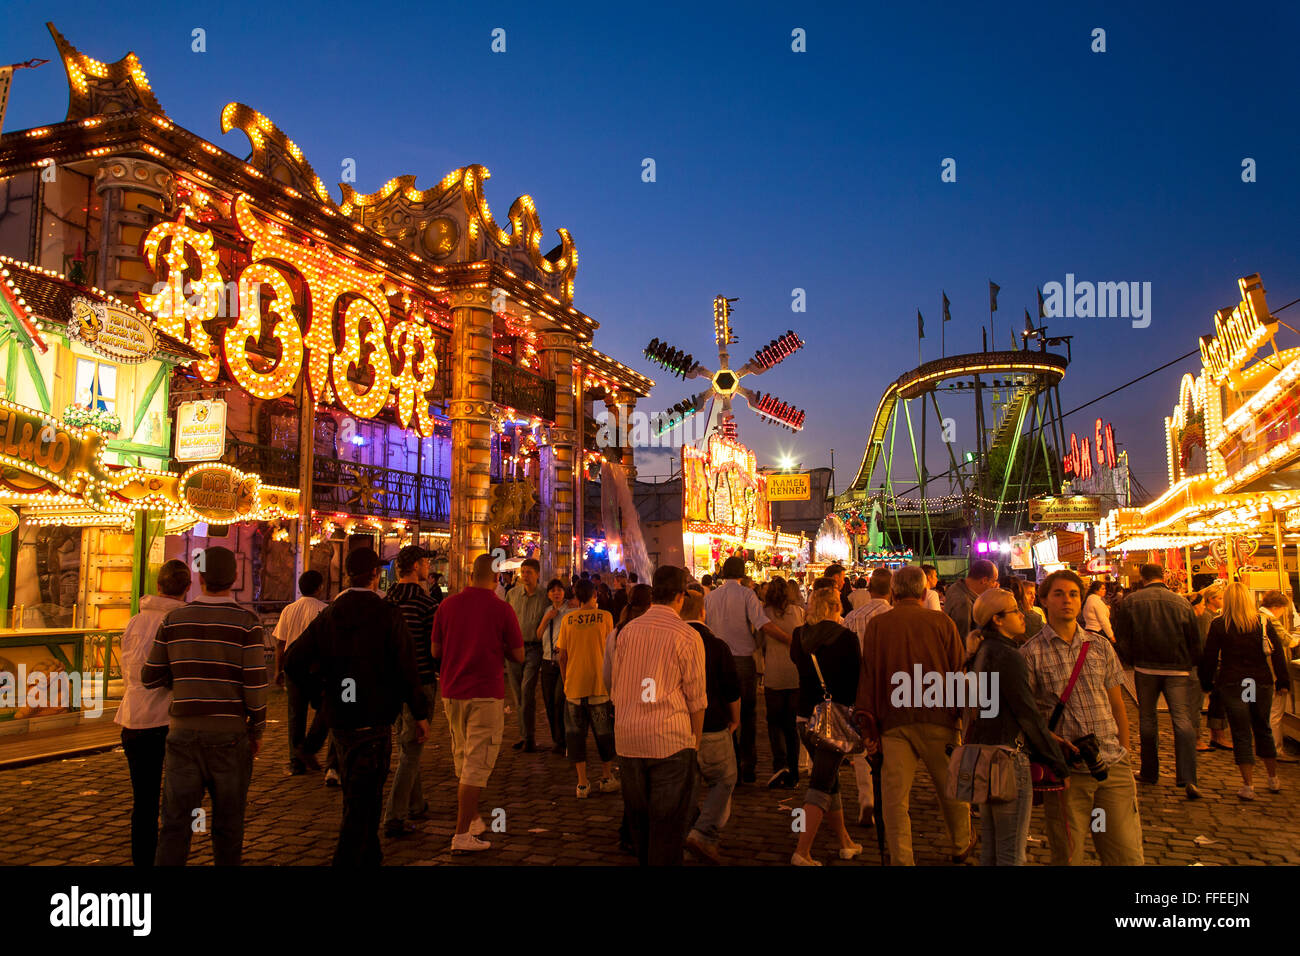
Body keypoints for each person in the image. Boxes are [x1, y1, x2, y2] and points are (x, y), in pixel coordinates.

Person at [284, 547, 428, 865]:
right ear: (376, 576)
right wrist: (419, 712)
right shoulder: (387, 614)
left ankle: (369, 855)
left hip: (342, 721)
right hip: (374, 718)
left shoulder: (331, 614)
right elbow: (407, 667)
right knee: (364, 803)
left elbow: (293, 660)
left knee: (357, 796)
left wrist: (319, 693)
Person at [143, 547, 266, 866]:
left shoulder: (174, 619)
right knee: (228, 826)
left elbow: (149, 676)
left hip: (182, 735)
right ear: (234, 577)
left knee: (174, 824)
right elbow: (254, 685)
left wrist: (183, 673)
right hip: (229, 736)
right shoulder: (247, 623)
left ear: (199, 577)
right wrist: (258, 728)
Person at [1022, 569, 1144, 865]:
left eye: (1073, 594)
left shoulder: (1099, 646)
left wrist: (1124, 752)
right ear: (1044, 601)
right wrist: (1052, 745)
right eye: (1059, 594)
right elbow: (1028, 718)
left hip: (1111, 766)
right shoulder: (1030, 653)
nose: (1067, 600)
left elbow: (1117, 704)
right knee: (1068, 855)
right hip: (1067, 773)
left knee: (1124, 853)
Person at [856, 565, 972, 866]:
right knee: (951, 789)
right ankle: (961, 844)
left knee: (894, 798)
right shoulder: (941, 622)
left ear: (893, 593)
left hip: (894, 720)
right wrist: (963, 716)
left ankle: (902, 858)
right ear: (924, 592)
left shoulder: (879, 626)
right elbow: (958, 670)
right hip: (939, 717)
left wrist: (867, 722)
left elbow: (869, 675)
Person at [964, 589, 1069, 865]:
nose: (1022, 615)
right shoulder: (1007, 656)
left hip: (985, 753)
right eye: (1014, 611)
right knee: (1011, 852)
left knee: (992, 847)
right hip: (1008, 758)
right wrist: (1057, 762)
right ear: (998, 620)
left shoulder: (983, 650)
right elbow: (1027, 713)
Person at [610, 566, 707, 866]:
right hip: (670, 740)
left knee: (641, 825)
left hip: (628, 738)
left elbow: (616, 684)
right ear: (681, 597)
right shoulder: (687, 636)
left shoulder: (627, 631)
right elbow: (697, 699)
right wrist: (696, 741)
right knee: (667, 827)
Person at [433, 552, 525, 851]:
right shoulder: (502, 609)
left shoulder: (446, 606)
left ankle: (471, 818)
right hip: (485, 691)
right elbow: (519, 654)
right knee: (476, 763)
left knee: (463, 757)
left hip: (451, 690)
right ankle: (462, 834)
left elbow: (435, 650)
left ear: (470, 575)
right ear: (498, 578)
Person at [116, 559, 191, 867]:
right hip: (170, 719)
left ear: (158, 585)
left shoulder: (135, 621)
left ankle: (143, 860)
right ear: (186, 589)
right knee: (177, 799)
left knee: (143, 801)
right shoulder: (180, 622)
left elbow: (126, 668)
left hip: (134, 718)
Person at [1112, 562, 1203, 799]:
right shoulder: (1181, 602)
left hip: (1146, 667)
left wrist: (1131, 659)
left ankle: (1150, 771)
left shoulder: (1132, 602)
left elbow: (1122, 636)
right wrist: (1190, 662)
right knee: (1182, 720)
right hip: (1178, 668)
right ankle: (1188, 777)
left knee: (1148, 719)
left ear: (1142, 577)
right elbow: (1194, 638)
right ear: (1162, 576)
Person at [789, 586, 863, 865]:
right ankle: (802, 851)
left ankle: (845, 842)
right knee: (821, 783)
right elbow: (856, 679)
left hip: (804, 716)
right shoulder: (846, 638)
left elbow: (796, 662)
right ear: (836, 607)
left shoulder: (799, 636)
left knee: (830, 780)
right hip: (834, 720)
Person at [705, 556, 794, 784]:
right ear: (743, 573)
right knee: (747, 714)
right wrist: (789, 639)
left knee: (725, 712)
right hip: (743, 660)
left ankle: (729, 762)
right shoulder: (746, 595)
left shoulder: (711, 597)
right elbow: (762, 623)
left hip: (718, 659)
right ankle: (748, 765)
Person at [1199, 582, 1292, 799]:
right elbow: (1277, 654)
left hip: (1233, 682)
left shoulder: (1220, 624)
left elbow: (1210, 657)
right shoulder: (1263, 622)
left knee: (1241, 733)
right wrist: (1283, 680)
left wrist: (1207, 683)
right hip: (1260, 681)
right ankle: (1272, 778)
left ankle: (1248, 785)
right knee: (1263, 728)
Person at [382, 545, 440, 837]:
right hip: (420, 681)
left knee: (407, 744)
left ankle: (416, 803)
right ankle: (394, 815)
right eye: (426, 563)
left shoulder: (387, 600)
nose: (428, 567)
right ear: (416, 567)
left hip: (391, 682)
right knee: (412, 749)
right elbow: (434, 647)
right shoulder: (426, 603)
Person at [680, 586, 741, 863]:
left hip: (680, 726)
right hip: (714, 723)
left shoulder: (673, 642)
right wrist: (735, 717)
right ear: (703, 612)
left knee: (687, 784)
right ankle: (703, 833)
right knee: (724, 779)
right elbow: (731, 689)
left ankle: (688, 834)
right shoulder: (717, 645)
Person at [556, 580, 619, 798]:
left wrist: (566, 681)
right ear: (594, 596)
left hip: (574, 686)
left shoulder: (568, 619)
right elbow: (613, 653)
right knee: (604, 734)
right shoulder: (606, 617)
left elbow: (561, 655)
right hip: (600, 685)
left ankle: (582, 783)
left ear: (576, 596)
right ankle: (606, 776)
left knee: (575, 736)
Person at [842, 566, 892, 823]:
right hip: (890, 689)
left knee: (862, 746)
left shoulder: (852, 618)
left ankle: (867, 799)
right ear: (891, 590)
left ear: (869, 590)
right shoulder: (895, 617)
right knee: (891, 744)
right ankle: (888, 800)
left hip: (860, 688)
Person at [275, 570, 330, 775]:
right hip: (316, 669)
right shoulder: (324, 610)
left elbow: (280, 644)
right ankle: (310, 748)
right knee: (324, 708)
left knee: (295, 713)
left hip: (292, 667)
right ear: (319, 587)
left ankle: (296, 759)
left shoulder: (289, 610)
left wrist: (277, 670)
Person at [761, 577, 805, 789]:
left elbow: (758, 643)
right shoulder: (798, 613)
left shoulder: (764, 614)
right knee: (791, 726)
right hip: (794, 674)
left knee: (774, 723)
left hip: (774, 674)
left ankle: (780, 765)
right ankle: (794, 771)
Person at [506, 557, 549, 753]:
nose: (525, 576)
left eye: (529, 572)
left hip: (534, 648)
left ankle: (529, 737)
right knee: (517, 694)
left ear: (538, 574)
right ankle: (524, 735)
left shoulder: (545, 596)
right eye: (523, 572)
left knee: (527, 691)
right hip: (514, 648)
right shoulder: (513, 594)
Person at [1260, 591, 1298, 759]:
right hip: (1272, 674)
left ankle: (1265, 747)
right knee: (1275, 713)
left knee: (1264, 711)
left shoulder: (1255, 616)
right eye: (1284, 608)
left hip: (1256, 675)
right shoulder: (1269, 619)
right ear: (1276, 607)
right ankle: (1275, 750)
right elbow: (1289, 642)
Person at [537, 578, 571, 755]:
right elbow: (538, 634)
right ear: (548, 594)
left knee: (559, 700)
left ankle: (563, 739)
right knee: (549, 701)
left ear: (564, 592)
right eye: (553, 590)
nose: (556, 593)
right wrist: (545, 619)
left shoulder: (570, 612)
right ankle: (556, 739)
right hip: (547, 659)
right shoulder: (547, 610)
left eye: (559, 590)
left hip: (563, 661)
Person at [944, 559, 998, 640]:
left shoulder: (955, 587)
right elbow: (963, 640)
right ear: (984, 580)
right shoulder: (964, 603)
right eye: (994, 581)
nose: (995, 585)